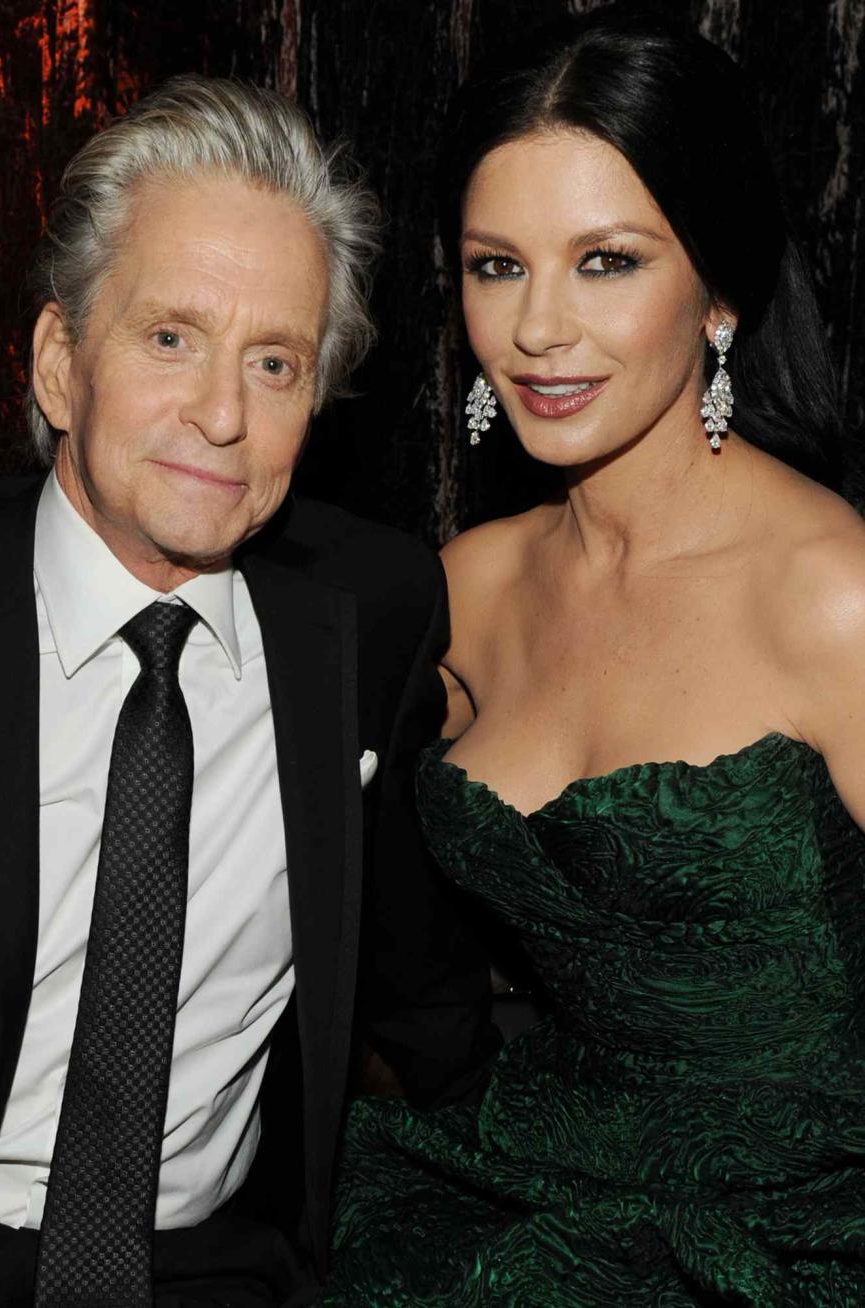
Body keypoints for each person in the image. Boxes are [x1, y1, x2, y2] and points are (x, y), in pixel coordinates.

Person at [0, 76, 498, 1307]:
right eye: (170, 337)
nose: (220, 415)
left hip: (225, 1267)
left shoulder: (369, 615)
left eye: (274, 362)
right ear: (62, 365)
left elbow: (418, 975)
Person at [324, 9, 865, 1305]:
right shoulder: (460, 592)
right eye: (497, 267)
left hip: (805, 1236)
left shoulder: (835, 601)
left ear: (719, 289)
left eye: (607, 262)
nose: (537, 331)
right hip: (520, 1169)